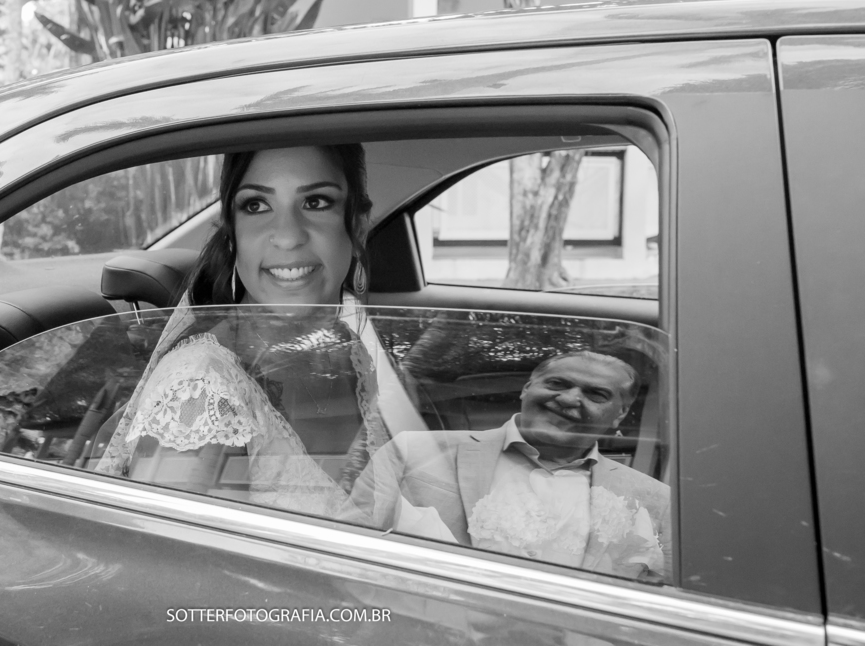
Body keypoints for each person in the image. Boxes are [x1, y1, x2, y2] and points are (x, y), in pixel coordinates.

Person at [94, 145, 424, 517]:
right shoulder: (198, 391)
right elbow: (176, 566)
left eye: (316, 202)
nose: (287, 236)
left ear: (358, 227)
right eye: (256, 206)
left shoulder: (352, 351)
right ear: (232, 234)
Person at [348, 350, 671, 582]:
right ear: (526, 389)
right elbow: (345, 550)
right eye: (557, 384)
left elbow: (666, 592)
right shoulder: (416, 451)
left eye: (596, 394)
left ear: (619, 415)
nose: (571, 398)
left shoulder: (654, 499)